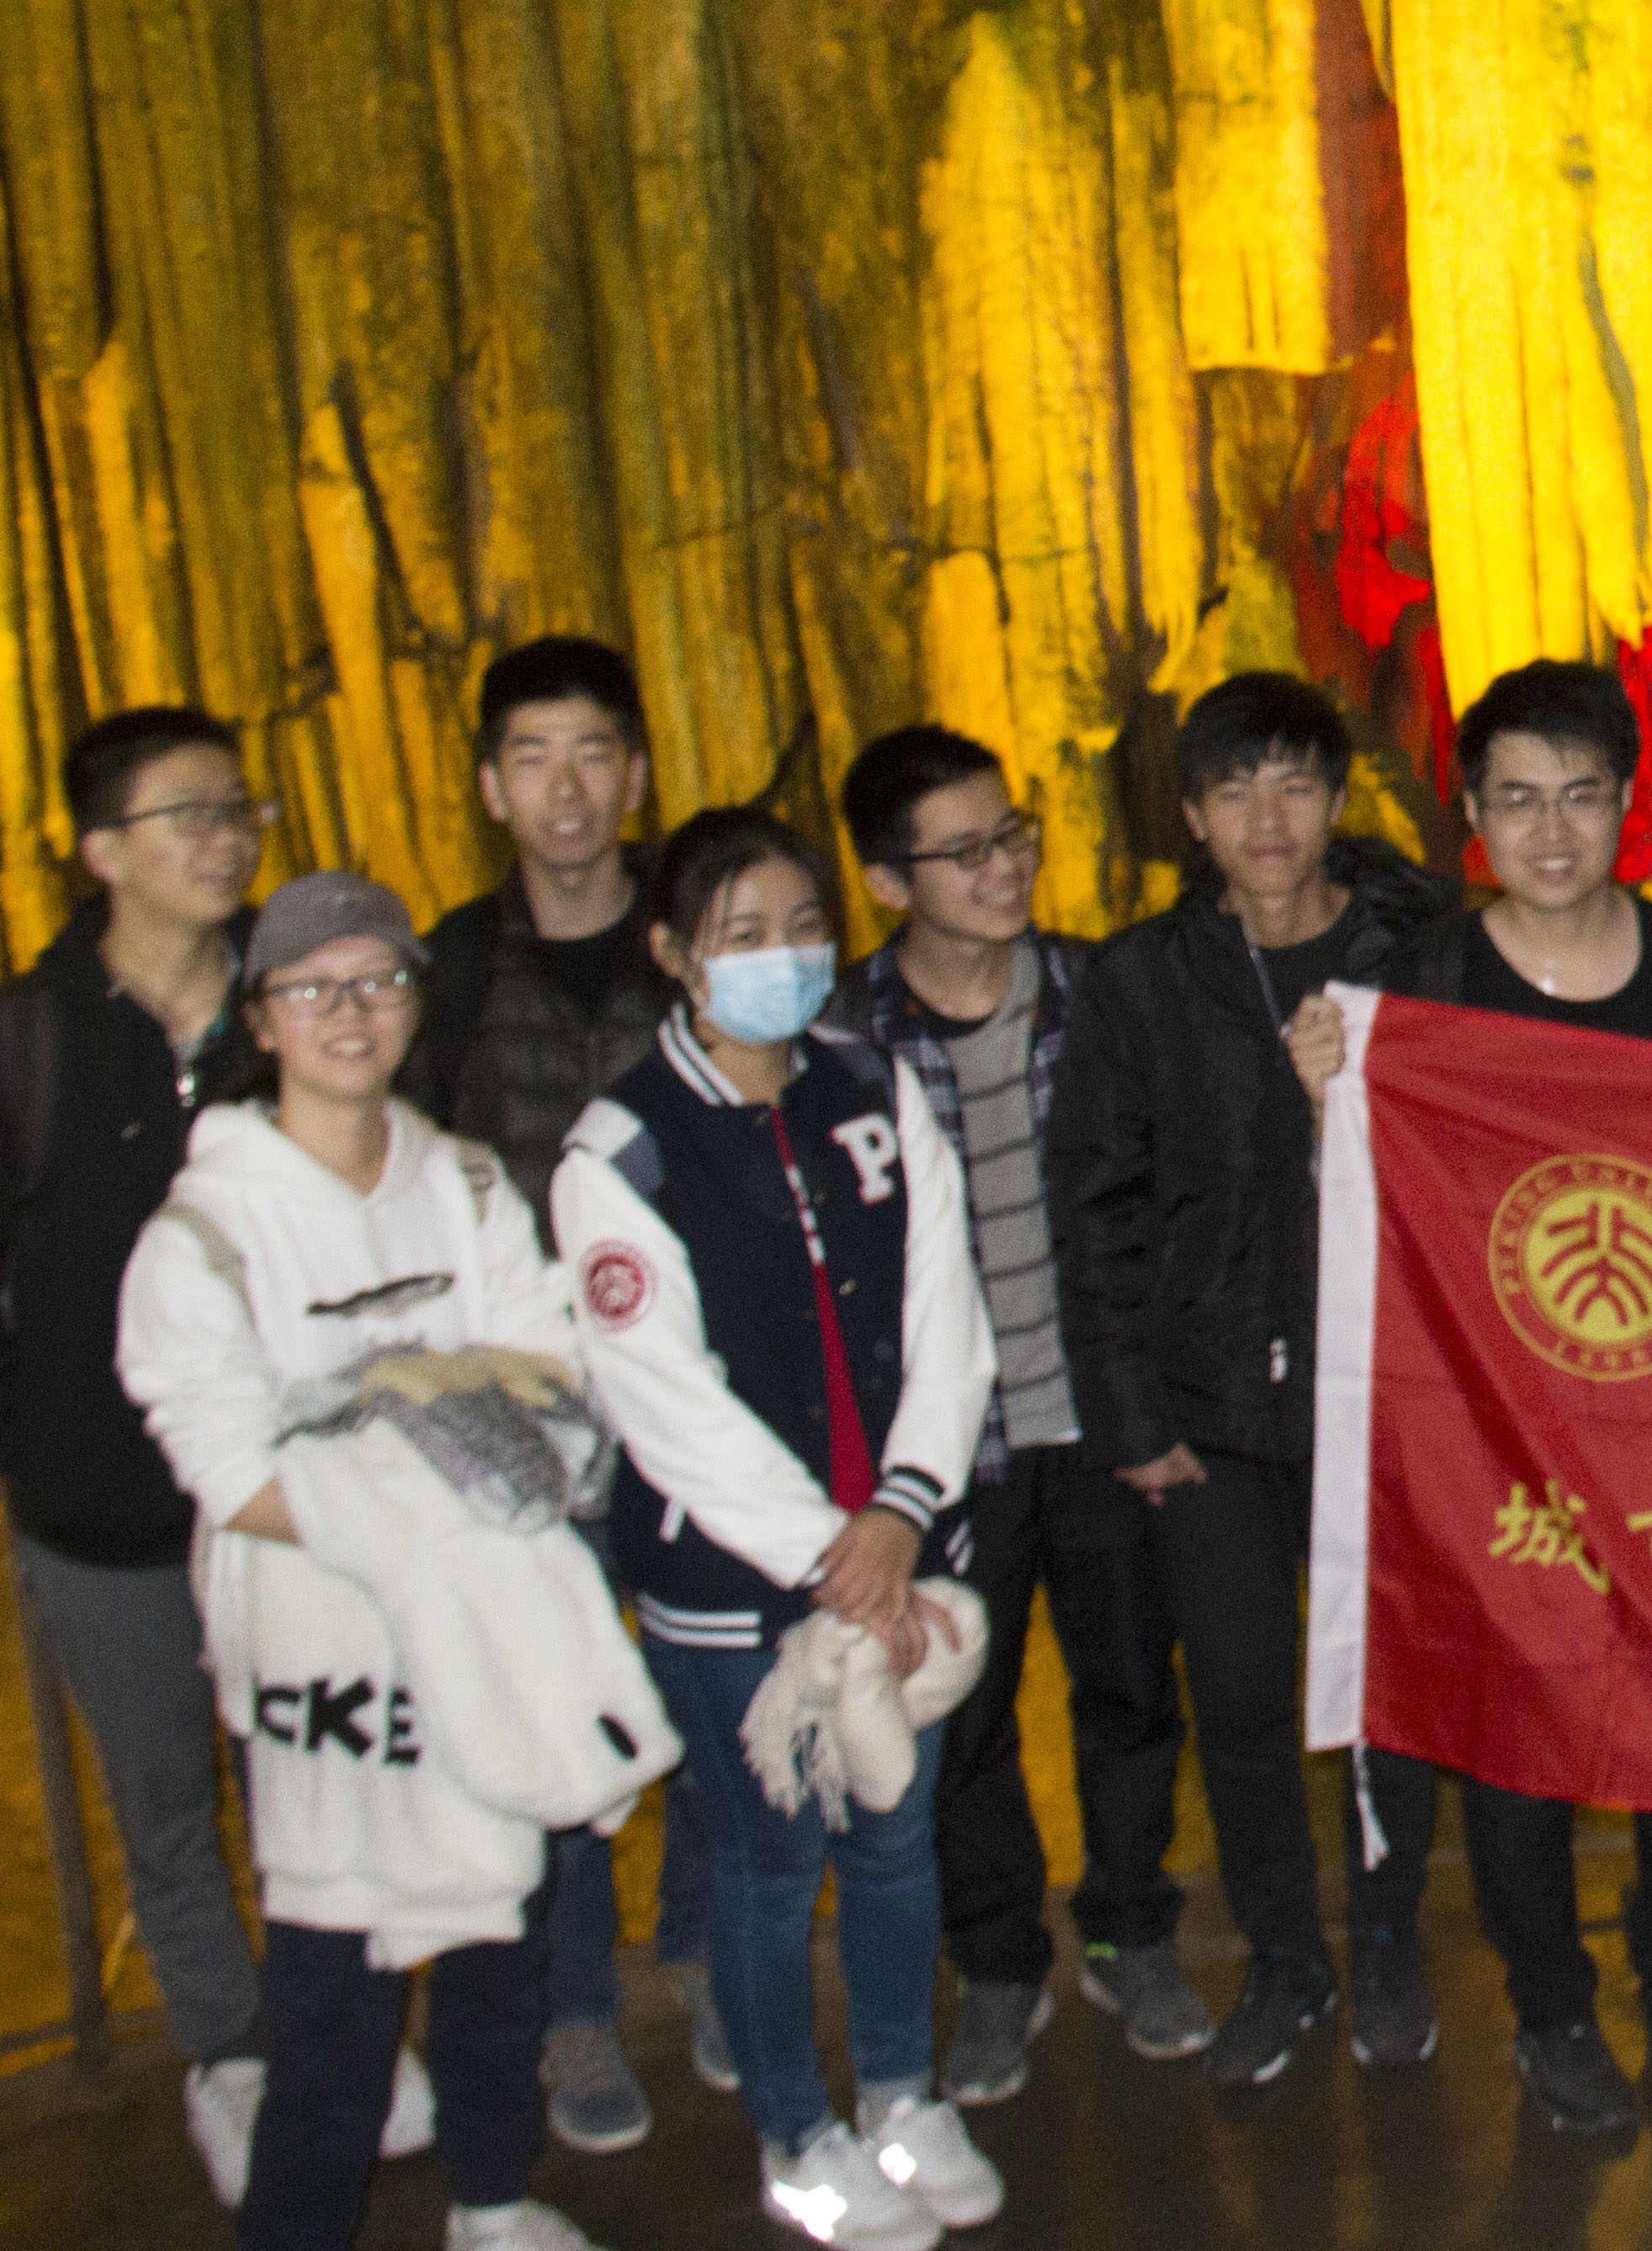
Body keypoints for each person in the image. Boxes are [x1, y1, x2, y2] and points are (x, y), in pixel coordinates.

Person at [112, 872, 617, 2251]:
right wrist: (443, 1409)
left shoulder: (464, 1184)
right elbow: (238, 1473)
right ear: (262, 1017)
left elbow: (552, 1376)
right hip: (323, 1662)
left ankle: (494, 2204)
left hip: (486, 1631)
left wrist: (364, 1411)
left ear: (415, 1002)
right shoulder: (203, 1238)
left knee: (500, 1944)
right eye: (313, 988)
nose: (352, 1012)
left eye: (381, 981)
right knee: (333, 2007)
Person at [1292, 659, 1652, 2139]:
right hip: (1490, 1421)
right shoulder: (1421, 985)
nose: (1552, 831)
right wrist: (1329, 1103)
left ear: (1628, 804)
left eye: (1581, 796)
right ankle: (1550, 2002)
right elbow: (1364, 1206)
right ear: (1472, 817)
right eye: (1517, 801)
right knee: (1518, 1712)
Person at [0, 707, 325, 2206]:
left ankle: (327, 2037)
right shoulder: (17, 1042)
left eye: (239, 809)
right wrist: (20, 1439)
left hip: (292, 1495)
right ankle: (231, 2057)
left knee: (313, 1776)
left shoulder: (300, 1004)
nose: (227, 836)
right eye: (189, 813)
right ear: (100, 852)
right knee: (165, 1804)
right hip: (106, 1511)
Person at [560, 810, 1000, 2251]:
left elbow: (944, 1307)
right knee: (771, 1862)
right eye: (743, 935)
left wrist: (904, 1508)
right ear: (674, 954)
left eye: (805, 927)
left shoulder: (871, 1085)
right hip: (733, 1581)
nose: (785, 958)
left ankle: (899, 2094)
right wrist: (830, 1551)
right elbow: (660, 1394)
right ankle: (795, 2136)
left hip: (898, 1539)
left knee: (895, 1835)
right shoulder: (623, 1150)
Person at [1052, 672, 1454, 2081]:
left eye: (1294, 787)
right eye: (1235, 791)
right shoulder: (1141, 985)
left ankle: (1389, 1941)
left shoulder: (1421, 956)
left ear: (1338, 802)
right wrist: (1130, 1415)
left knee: (1388, 1695)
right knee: (1237, 1697)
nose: (1268, 820)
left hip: (1385, 1396)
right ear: (1193, 817)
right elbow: (1095, 1207)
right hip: (1211, 1405)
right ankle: (1285, 1959)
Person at [839, 726, 1185, 2107]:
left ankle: (1131, 1932)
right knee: (963, 1718)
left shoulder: (1103, 995)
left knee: (1130, 1692)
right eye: (966, 852)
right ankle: (996, 1965)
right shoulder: (843, 1041)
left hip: (1098, 1420)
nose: (1004, 869)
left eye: (1014, 835)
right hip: (945, 1455)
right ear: (888, 881)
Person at [398, 636, 694, 2150]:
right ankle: (576, 2008)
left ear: (634, 777)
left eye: (592, 755)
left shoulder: (696, 940)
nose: (566, 789)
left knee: (719, 1692)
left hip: (697, 1394)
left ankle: (703, 1950)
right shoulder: (448, 972)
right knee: (563, 1714)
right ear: (490, 787)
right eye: (534, 758)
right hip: (532, 1412)